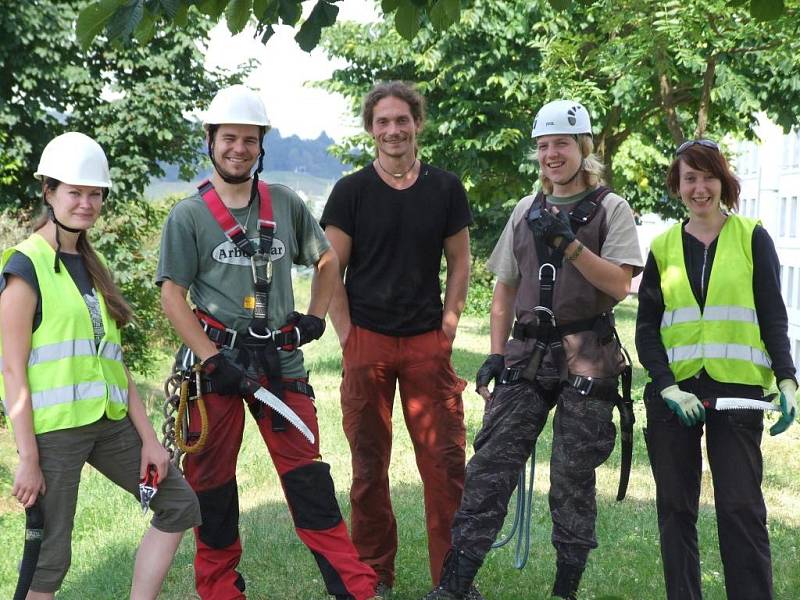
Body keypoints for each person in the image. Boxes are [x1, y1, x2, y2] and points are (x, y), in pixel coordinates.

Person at [156, 85, 379, 600]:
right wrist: (213, 363)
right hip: (213, 369)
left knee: (310, 484)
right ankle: (220, 592)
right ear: (210, 141)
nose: (239, 148)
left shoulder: (285, 203)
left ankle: (354, 590)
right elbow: (173, 297)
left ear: (262, 146)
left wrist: (314, 318)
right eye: (228, 138)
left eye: (250, 140)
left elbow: (327, 260)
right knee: (211, 489)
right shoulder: (188, 217)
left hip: (280, 364)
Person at [425, 99, 643, 600]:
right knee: (489, 467)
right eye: (543, 146)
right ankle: (455, 587)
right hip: (528, 354)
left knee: (571, 475)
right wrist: (497, 353)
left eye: (561, 144)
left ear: (583, 149)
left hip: (586, 351)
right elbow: (504, 287)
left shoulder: (611, 209)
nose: (551, 155)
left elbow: (619, 286)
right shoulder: (527, 209)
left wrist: (571, 246)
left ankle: (564, 589)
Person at [0, 132, 201, 600]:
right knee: (50, 558)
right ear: (49, 193)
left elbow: (115, 363)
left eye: (95, 194)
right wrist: (27, 459)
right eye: (75, 192)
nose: (86, 203)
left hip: (109, 425)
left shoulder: (90, 264)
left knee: (177, 504)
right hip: (55, 433)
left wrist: (151, 440)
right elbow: (12, 372)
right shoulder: (24, 267)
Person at [321, 81, 473, 598]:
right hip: (368, 342)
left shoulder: (446, 188)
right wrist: (346, 334)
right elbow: (330, 267)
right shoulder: (351, 191)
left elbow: (460, 261)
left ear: (417, 124)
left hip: (427, 343)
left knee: (446, 465)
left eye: (401, 120)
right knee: (368, 468)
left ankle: (451, 580)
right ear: (371, 129)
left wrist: (449, 325)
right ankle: (372, 576)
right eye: (382, 122)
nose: (392, 130)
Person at [635, 139, 798, 600]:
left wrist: (786, 379)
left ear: (723, 181)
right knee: (675, 509)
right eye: (690, 178)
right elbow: (647, 326)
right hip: (675, 396)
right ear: (678, 185)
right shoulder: (664, 246)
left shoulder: (752, 236)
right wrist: (666, 387)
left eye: (708, 176)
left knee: (741, 508)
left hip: (738, 393)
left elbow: (772, 314)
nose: (699, 187)